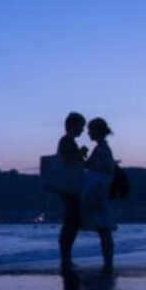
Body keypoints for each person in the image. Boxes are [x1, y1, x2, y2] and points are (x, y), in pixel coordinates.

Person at [81, 117, 118, 269]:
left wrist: (88, 161)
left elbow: (108, 168)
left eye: (90, 130)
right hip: (100, 191)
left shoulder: (103, 148)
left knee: (104, 230)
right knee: (104, 230)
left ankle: (108, 263)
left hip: (99, 192)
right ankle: (107, 262)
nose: (88, 133)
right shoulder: (102, 147)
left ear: (97, 131)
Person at [57, 112, 88, 272]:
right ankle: (66, 259)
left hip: (70, 188)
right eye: (81, 127)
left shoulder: (67, 141)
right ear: (73, 126)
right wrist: (80, 154)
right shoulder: (66, 141)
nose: (82, 131)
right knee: (71, 223)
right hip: (70, 189)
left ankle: (66, 259)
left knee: (71, 223)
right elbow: (69, 161)